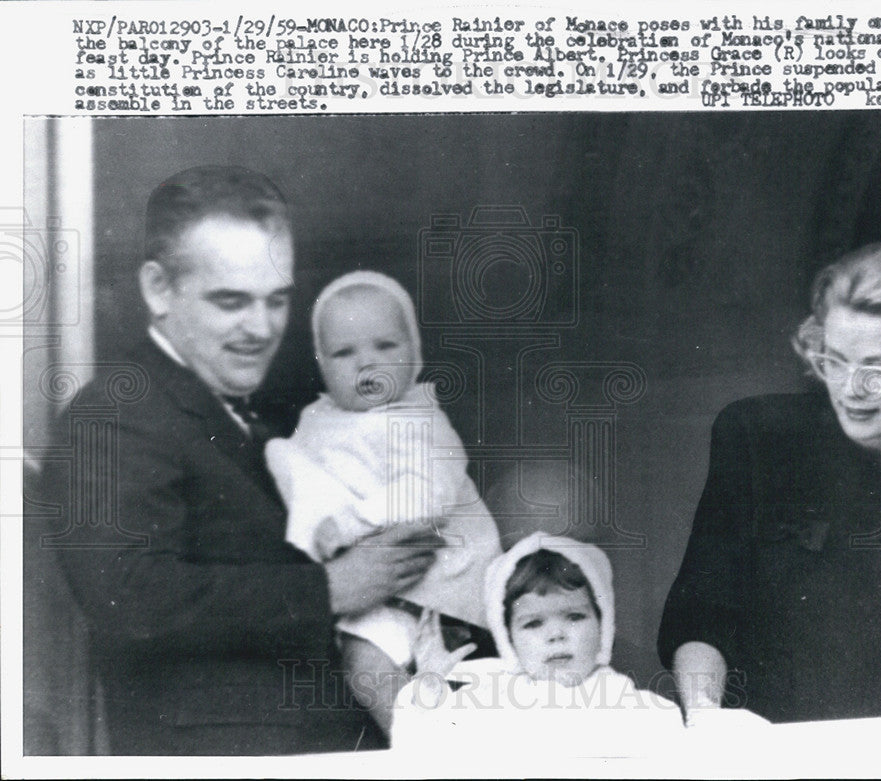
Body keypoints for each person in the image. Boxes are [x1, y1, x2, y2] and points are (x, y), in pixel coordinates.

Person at [45, 165, 442, 754]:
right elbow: (128, 596)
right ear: (157, 289)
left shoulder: (245, 424)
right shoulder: (116, 412)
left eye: (276, 300)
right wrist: (329, 588)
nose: (260, 328)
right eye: (231, 301)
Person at [658, 241, 881, 724]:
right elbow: (704, 606)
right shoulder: (759, 436)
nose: (850, 389)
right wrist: (704, 717)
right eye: (835, 359)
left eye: (879, 367)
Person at [264, 270, 501, 732]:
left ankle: (426, 749)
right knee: (362, 663)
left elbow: (428, 492)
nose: (366, 363)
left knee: (444, 674)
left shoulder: (418, 417)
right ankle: (417, 744)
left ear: (414, 354)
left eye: (385, 347)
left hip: (441, 583)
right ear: (322, 366)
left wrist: (355, 520)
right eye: (343, 352)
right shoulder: (317, 423)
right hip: (374, 587)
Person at [391, 532, 694, 756]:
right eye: (533, 623)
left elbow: (671, 752)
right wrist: (427, 693)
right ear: (508, 638)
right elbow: (422, 753)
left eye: (574, 616)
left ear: (603, 624)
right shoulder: (486, 701)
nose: (556, 635)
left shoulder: (630, 706)